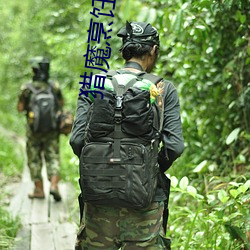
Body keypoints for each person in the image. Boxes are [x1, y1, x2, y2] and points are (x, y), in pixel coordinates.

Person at [70, 21, 184, 249]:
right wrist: (148, 167)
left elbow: (77, 140)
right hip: (145, 205)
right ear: (153, 50)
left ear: (124, 50)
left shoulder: (94, 84)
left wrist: (101, 165)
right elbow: (174, 147)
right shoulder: (163, 88)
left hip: (98, 201)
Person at [17, 57, 64, 202]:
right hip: (52, 129)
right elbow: (61, 104)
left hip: (33, 131)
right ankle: (54, 186)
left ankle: (39, 190)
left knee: (34, 159)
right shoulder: (54, 86)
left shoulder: (27, 88)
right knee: (53, 157)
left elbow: (19, 109)